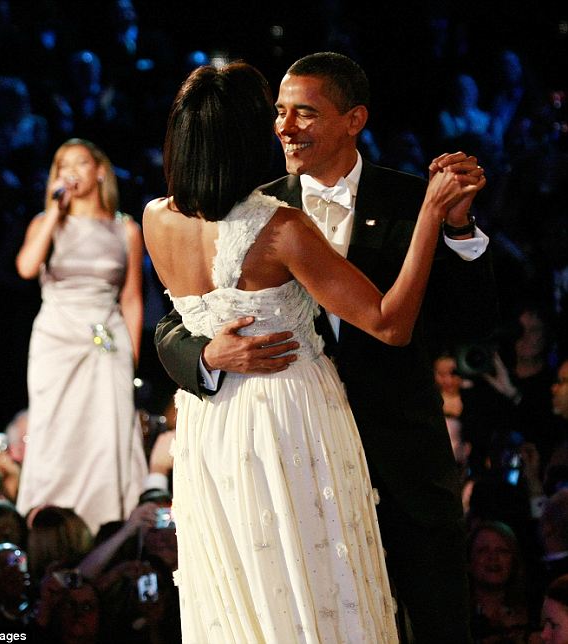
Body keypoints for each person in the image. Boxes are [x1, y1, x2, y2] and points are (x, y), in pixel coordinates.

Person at [154, 52, 497, 643]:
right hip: (284, 443)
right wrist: (208, 357)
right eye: (278, 113)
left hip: (400, 452)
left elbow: (474, 317)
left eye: (305, 113)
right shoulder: (254, 211)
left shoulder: (415, 198)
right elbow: (175, 325)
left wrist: (457, 231)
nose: (286, 127)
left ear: (353, 119)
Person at [15, 138, 148, 535]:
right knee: (56, 431)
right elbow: (26, 267)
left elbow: (132, 298)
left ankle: (108, 526)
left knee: (106, 432)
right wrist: (54, 211)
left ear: (100, 171)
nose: (70, 171)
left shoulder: (126, 228)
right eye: (62, 165)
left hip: (106, 340)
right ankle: (50, 526)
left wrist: (131, 358)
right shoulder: (46, 223)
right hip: (56, 337)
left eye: (80, 163)